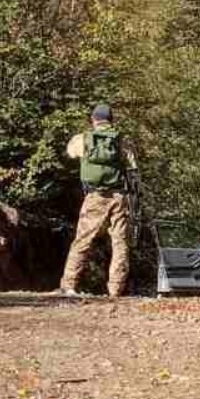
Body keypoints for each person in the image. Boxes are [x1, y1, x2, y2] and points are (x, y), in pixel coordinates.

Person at [59, 104, 139, 297]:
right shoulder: (121, 141)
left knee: (83, 240)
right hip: (119, 197)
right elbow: (133, 166)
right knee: (120, 243)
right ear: (112, 120)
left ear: (93, 119)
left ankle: (69, 285)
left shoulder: (82, 139)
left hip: (94, 197)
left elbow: (70, 154)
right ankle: (116, 289)